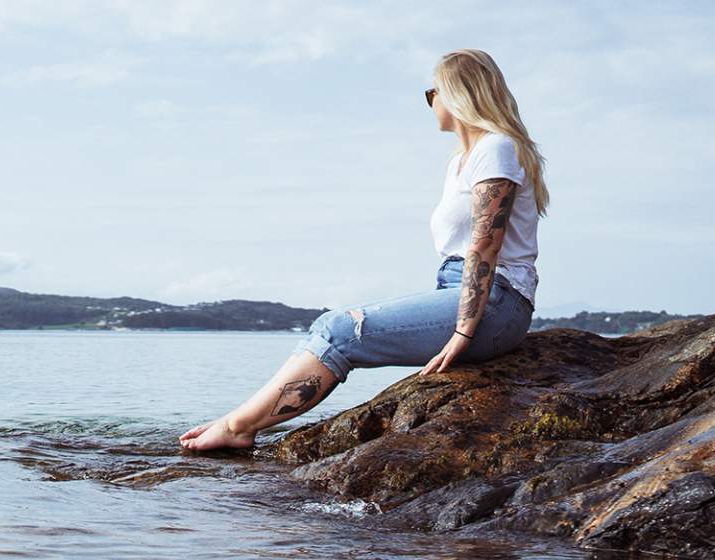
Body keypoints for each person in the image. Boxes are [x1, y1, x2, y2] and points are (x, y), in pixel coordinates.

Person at [179, 49, 549, 452]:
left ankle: (239, 427)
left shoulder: (496, 148)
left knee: (340, 331)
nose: (430, 101)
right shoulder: (461, 161)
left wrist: (463, 331)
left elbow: (484, 245)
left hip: (495, 302)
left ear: (459, 95)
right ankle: (237, 419)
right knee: (330, 326)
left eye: (433, 92)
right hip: (463, 290)